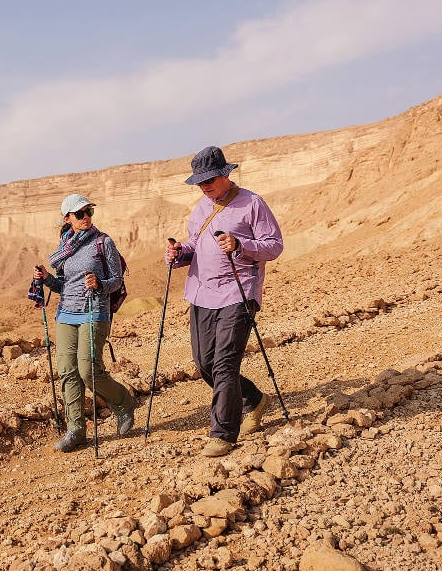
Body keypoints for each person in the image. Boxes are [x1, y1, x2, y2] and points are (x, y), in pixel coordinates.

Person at [165, 146, 284, 457]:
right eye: (200, 181)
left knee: (224, 363)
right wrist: (180, 253)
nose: (205, 186)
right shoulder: (200, 208)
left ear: (226, 175)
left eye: (210, 180)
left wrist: (240, 244)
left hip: (238, 292)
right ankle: (255, 401)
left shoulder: (252, 204)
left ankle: (223, 434)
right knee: (205, 363)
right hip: (202, 293)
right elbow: (194, 242)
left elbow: (274, 245)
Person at [34, 193, 136, 452]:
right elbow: (62, 285)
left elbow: (117, 280)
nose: (86, 217)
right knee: (68, 371)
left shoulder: (104, 242)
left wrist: (99, 284)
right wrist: (46, 278)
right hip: (66, 313)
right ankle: (76, 431)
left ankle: (123, 403)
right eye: (80, 214)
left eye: (89, 211)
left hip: (95, 311)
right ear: (67, 218)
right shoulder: (64, 247)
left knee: (88, 370)